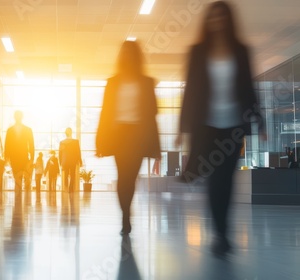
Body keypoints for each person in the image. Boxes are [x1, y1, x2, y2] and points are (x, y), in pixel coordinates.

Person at [176, 1, 265, 256]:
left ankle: (222, 232)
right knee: (216, 179)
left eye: (222, 17)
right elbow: (190, 90)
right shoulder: (198, 52)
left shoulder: (241, 51)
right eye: (213, 18)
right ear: (208, 21)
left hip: (233, 126)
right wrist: (183, 127)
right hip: (206, 126)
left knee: (227, 179)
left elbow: (249, 87)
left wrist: (260, 120)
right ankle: (220, 233)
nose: (217, 22)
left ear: (228, 20)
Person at [96, 40, 160, 235]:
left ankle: (126, 214)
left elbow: (152, 113)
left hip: (138, 135)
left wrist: (155, 146)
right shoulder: (113, 82)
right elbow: (106, 112)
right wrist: (100, 140)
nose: (128, 57)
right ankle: (125, 216)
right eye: (125, 53)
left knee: (130, 178)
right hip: (120, 135)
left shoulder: (146, 82)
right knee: (123, 177)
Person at [4, 110, 34, 193]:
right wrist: (6, 157)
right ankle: (18, 193)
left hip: (22, 156)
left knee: (20, 176)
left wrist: (32, 158)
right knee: (17, 176)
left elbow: (31, 144)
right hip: (17, 157)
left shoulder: (27, 130)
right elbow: (7, 144)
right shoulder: (10, 130)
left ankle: (19, 194)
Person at [59, 127, 82, 192]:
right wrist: (80, 161)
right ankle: (70, 188)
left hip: (65, 161)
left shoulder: (62, 142)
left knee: (66, 174)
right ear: (71, 133)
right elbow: (78, 152)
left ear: (65, 133)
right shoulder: (75, 142)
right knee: (72, 174)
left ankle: (66, 185)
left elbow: (60, 153)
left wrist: (60, 162)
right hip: (72, 161)